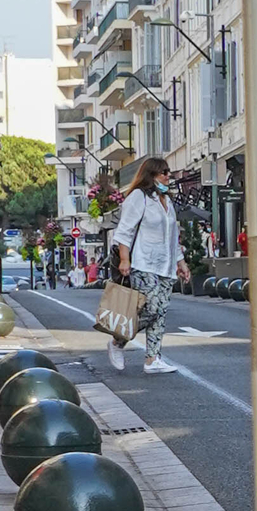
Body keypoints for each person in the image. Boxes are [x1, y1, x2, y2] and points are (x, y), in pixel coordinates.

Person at [107, 157, 181, 375]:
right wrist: (124, 258)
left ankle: (152, 359)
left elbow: (173, 236)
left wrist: (181, 262)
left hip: (165, 265)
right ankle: (118, 341)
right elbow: (124, 230)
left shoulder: (166, 202)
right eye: (163, 172)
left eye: (168, 172)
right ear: (151, 175)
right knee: (151, 308)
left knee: (161, 312)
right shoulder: (139, 197)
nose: (168, 176)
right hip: (143, 262)